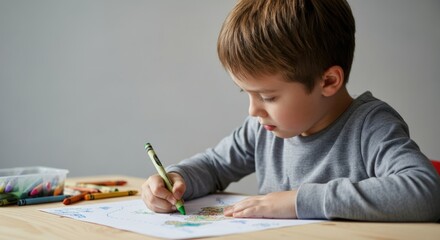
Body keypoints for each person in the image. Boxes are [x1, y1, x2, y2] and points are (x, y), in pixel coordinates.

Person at [141, 0, 440, 221]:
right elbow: (213, 166)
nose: (253, 110)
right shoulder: (262, 129)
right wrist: (176, 180)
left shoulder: (370, 127)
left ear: (328, 81)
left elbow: (425, 193)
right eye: (246, 93)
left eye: (268, 97)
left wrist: (299, 201)